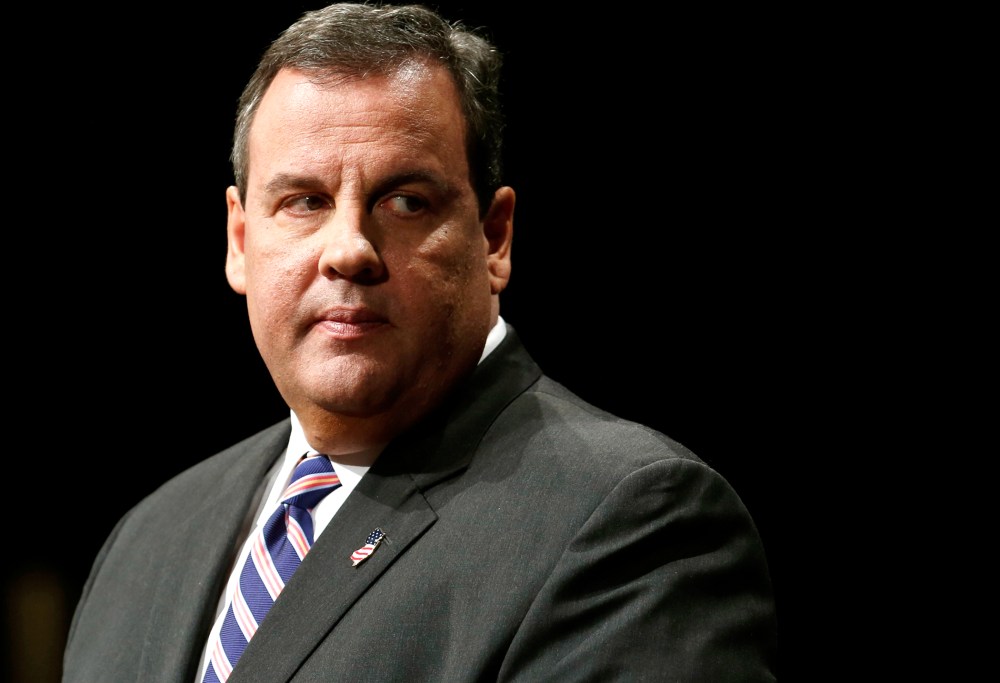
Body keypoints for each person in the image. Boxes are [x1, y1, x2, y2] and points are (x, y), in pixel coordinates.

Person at [62, 3, 778, 681]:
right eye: (304, 201)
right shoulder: (149, 540)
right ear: (241, 239)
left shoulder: (628, 520)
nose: (348, 249)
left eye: (404, 201)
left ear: (494, 238)